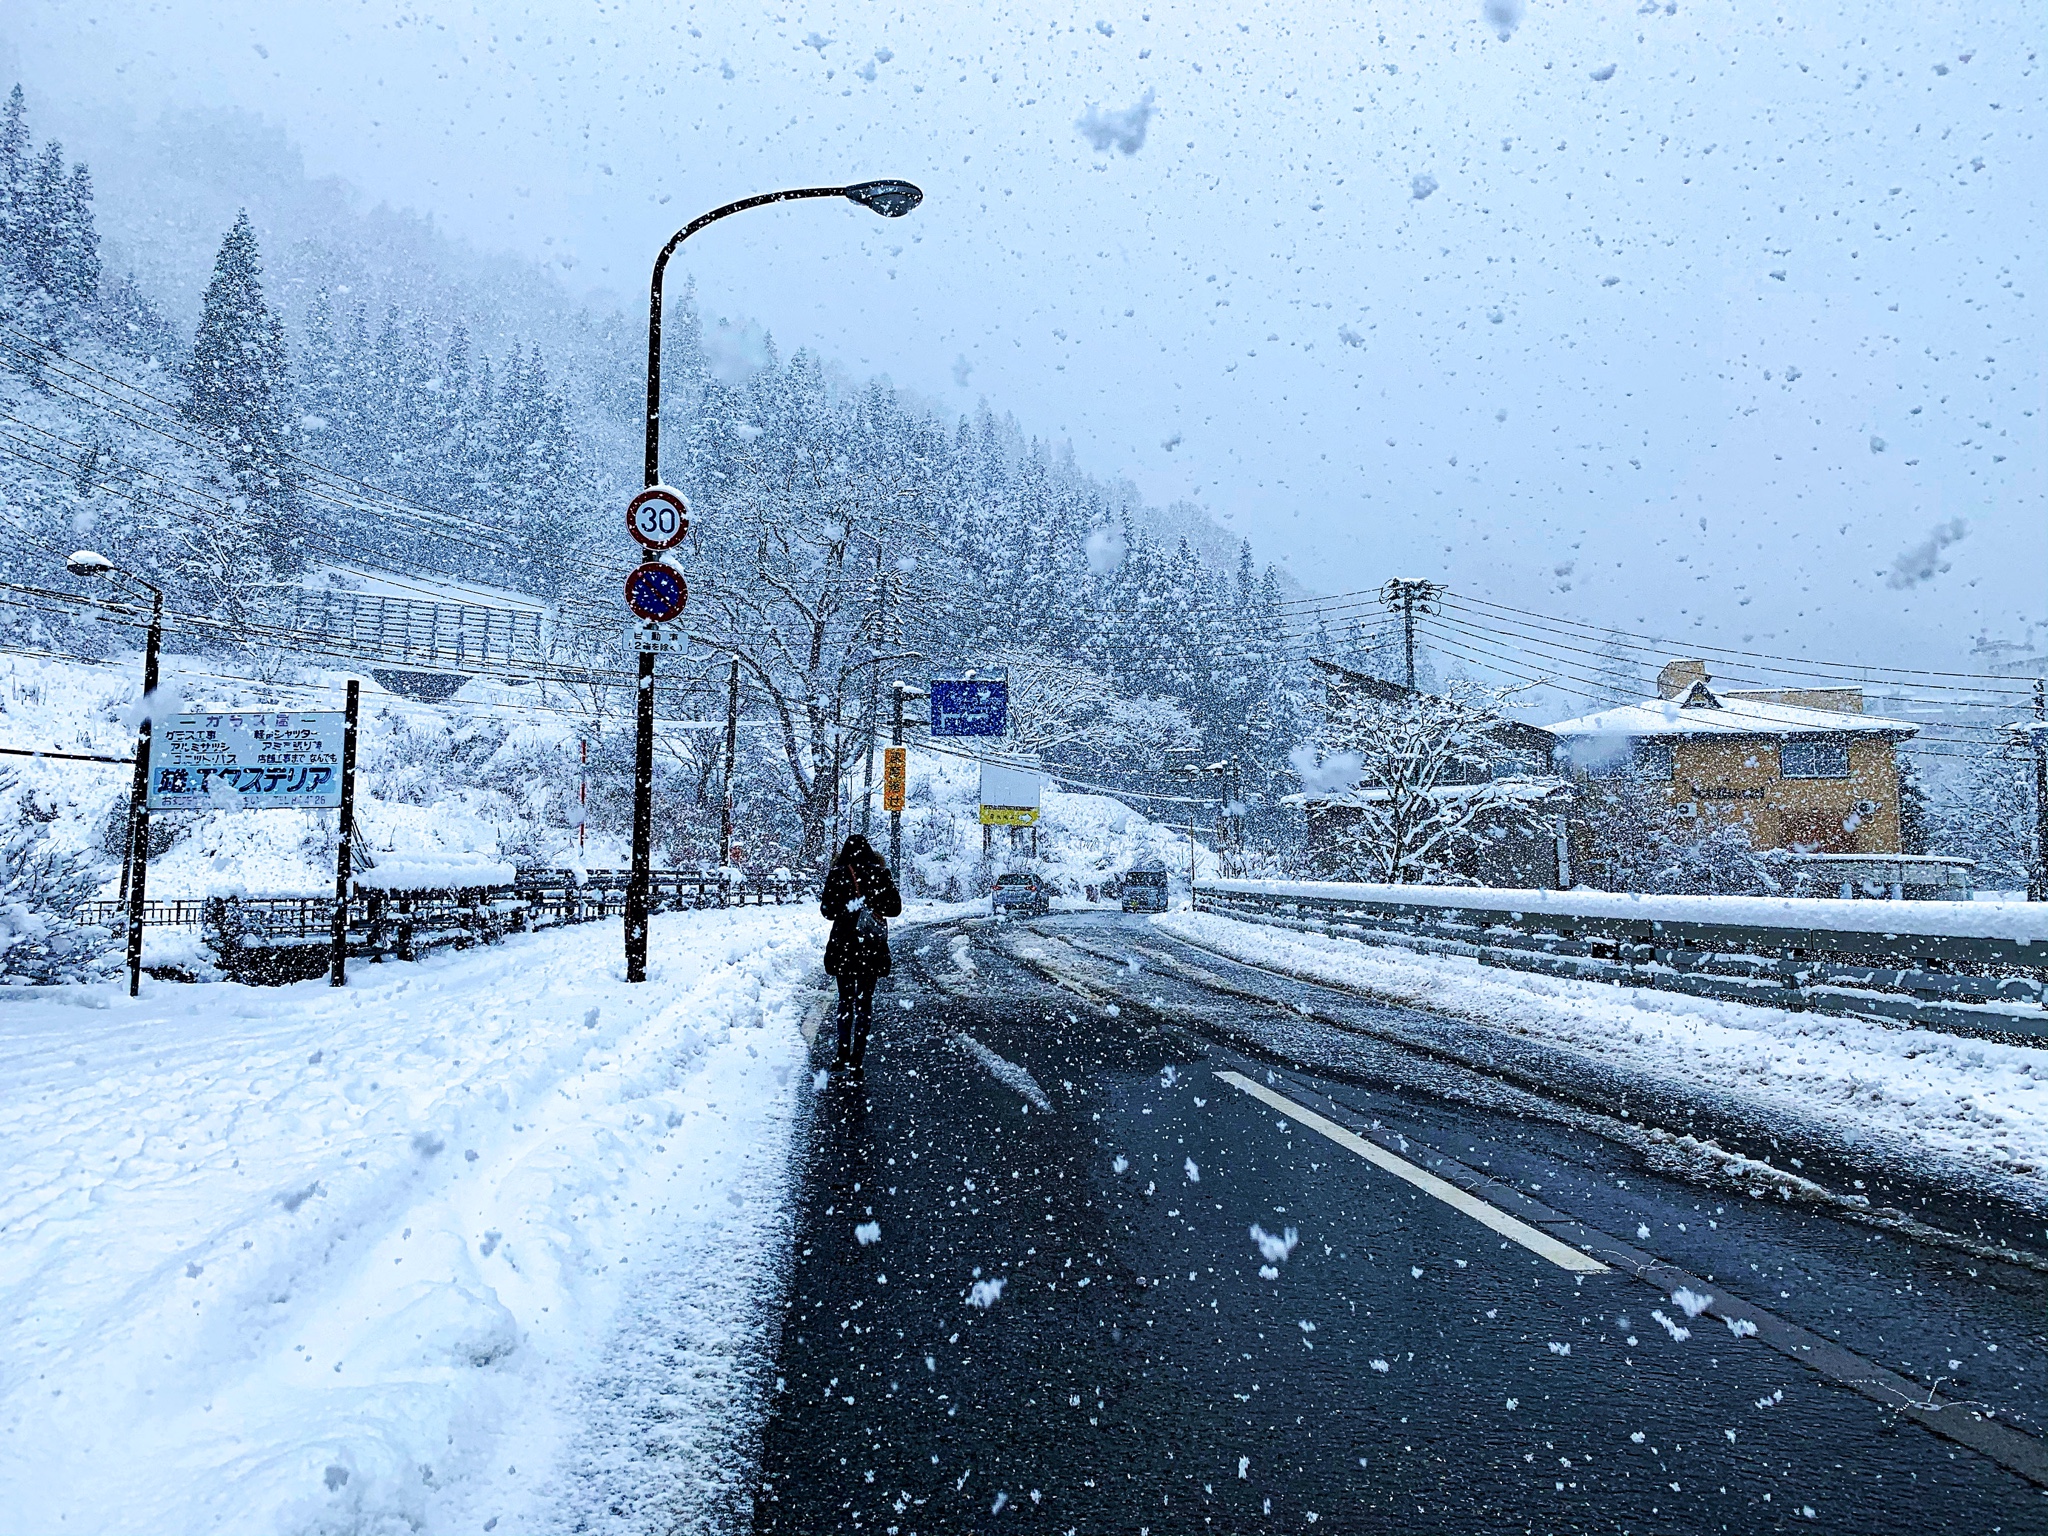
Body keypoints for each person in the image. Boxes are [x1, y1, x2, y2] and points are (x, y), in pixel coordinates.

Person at [819, 834, 902, 1081]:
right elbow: (895, 908)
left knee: (845, 1000)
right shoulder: (880, 874)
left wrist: (847, 908)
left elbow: (827, 911)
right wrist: (873, 904)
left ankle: (842, 1052)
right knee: (865, 1001)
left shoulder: (838, 874)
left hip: (844, 944)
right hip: (871, 948)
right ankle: (858, 1058)